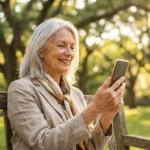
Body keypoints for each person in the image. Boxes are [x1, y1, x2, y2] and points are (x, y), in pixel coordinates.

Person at [7, 18, 126, 150]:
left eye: (72, 47)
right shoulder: (22, 89)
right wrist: (94, 109)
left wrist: (107, 116)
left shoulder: (74, 94)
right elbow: (42, 143)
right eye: (61, 45)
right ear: (40, 50)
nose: (69, 53)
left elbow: (91, 147)